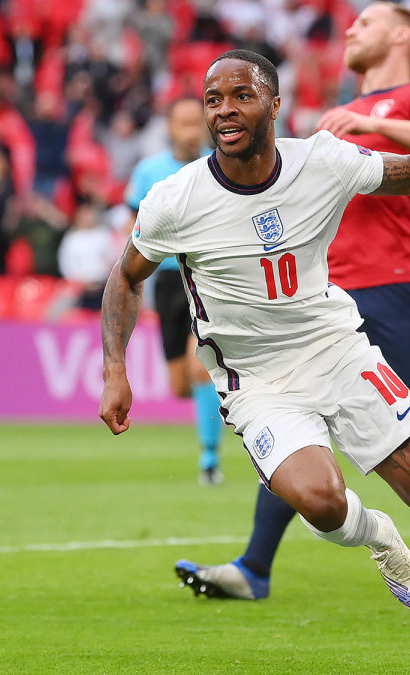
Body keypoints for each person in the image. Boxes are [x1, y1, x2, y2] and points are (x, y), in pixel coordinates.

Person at [100, 49, 410, 675]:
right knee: (321, 501)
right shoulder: (175, 199)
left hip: (337, 351)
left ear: (274, 104)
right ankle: (377, 535)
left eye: (240, 96)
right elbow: (126, 277)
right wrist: (115, 369)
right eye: (213, 100)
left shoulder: (322, 161)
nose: (224, 111)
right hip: (256, 381)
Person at [175, 3, 410, 605]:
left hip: (398, 285)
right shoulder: (342, 109)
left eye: (368, 22)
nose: (352, 28)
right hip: (328, 292)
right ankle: (255, 566)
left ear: (402, 35)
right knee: (291, 414)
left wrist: (362, 121)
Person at [122, 97, 222, 485]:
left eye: (197, 122)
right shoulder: (150, 171)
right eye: (184, 123)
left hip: (205, 275)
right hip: (166, 280)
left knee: (200, 368)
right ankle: (230, 405)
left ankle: (209, 460)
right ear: (170, 128)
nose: (192, 131)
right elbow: (133, 226)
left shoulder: (219, 166)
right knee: (180, 384)